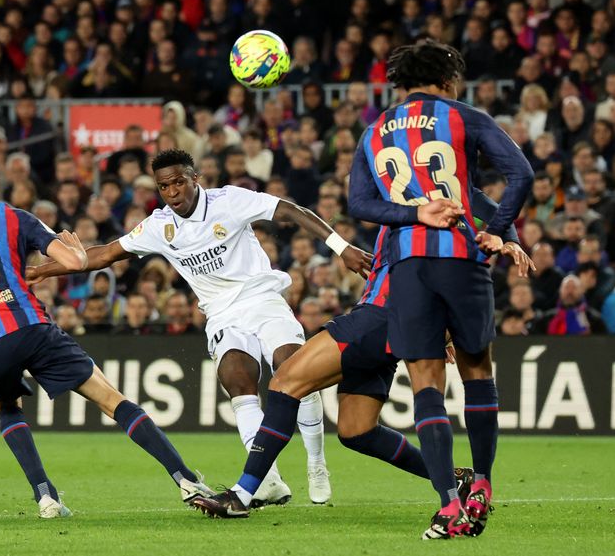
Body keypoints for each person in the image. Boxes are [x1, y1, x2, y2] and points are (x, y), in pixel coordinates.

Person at [29, 149, 373, 506]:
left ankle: (316, 463)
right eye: (164, 186)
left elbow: (290, 210)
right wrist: (46, 270)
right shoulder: (160, 226)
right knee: (238, 381)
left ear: (196, 179)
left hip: (262, 299)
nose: (173, 191)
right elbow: (104, 254)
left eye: (179, 181)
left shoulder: (229, 201)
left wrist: (341, 246)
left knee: (294, 369)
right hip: (222, 315)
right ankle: (268, 479)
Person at [190, 190, 533, 521]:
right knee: (357, 431)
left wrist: (509, 238)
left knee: (285, 382)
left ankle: (243, 493)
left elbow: (482, 212)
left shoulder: (443, 206)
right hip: (393, 322)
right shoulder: (413, 205)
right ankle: (457, 479)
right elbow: (486, 209)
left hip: (378, 317)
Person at [0, 155, 213, 518]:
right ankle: (185, 479)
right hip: (28, 327)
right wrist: (74, 249)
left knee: (8, 407)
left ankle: (45, 497)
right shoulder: (13, 217)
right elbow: (74, 263)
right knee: (110, 398)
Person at [344, 40, 534, 539]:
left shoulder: (375, 131)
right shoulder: (463, 116)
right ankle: (484, 485)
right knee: (476, 371)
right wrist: (501, 230)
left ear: (401, 83)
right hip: (460, 260)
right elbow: (520, 173)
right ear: (449, 79)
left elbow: (360, 203)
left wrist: (412, 213)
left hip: (407, 266)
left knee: (426, 380)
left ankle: (448, 504)